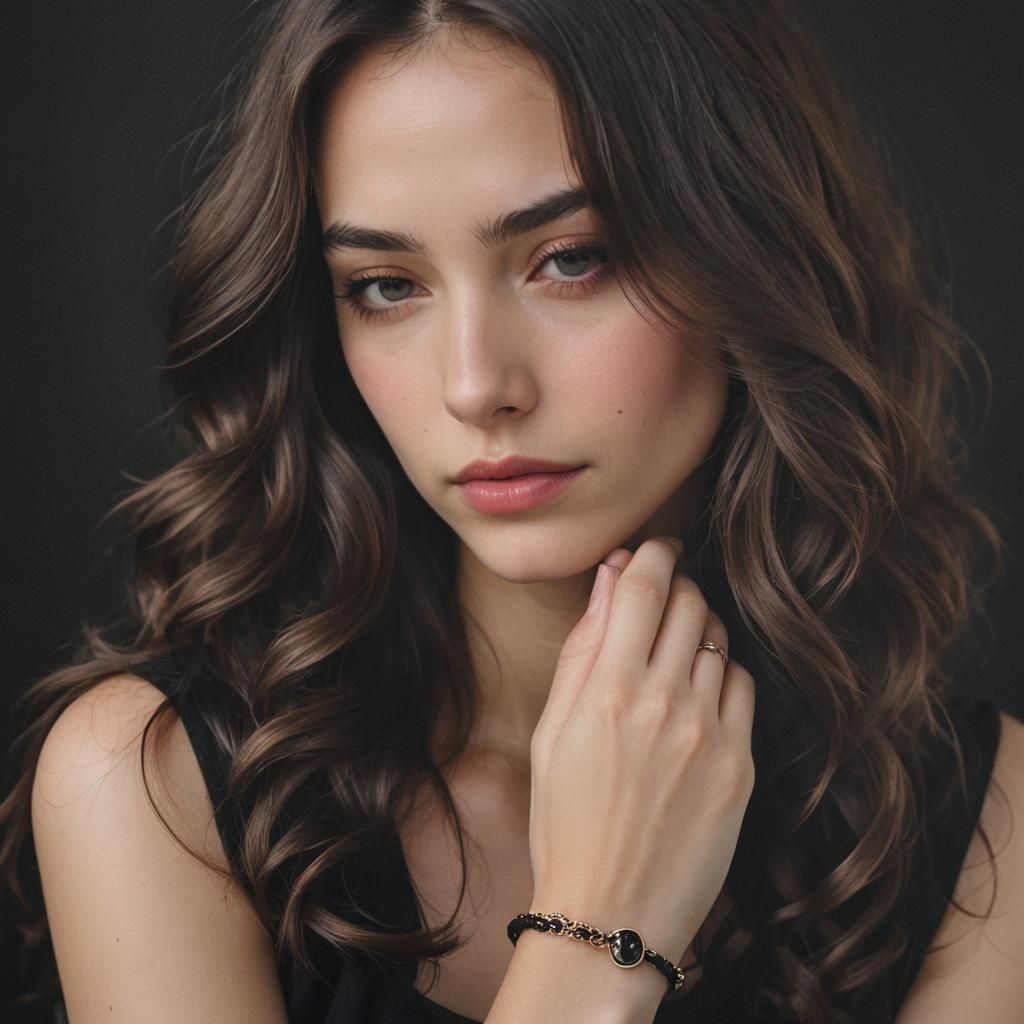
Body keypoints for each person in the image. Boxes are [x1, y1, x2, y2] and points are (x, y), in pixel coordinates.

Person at [2, 0, 1022, 1021]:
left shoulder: (989, 825)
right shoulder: (156, 784)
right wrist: (600, 936)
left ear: (747, 254)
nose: (475, 384)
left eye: (569, 259)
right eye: (387, 285)